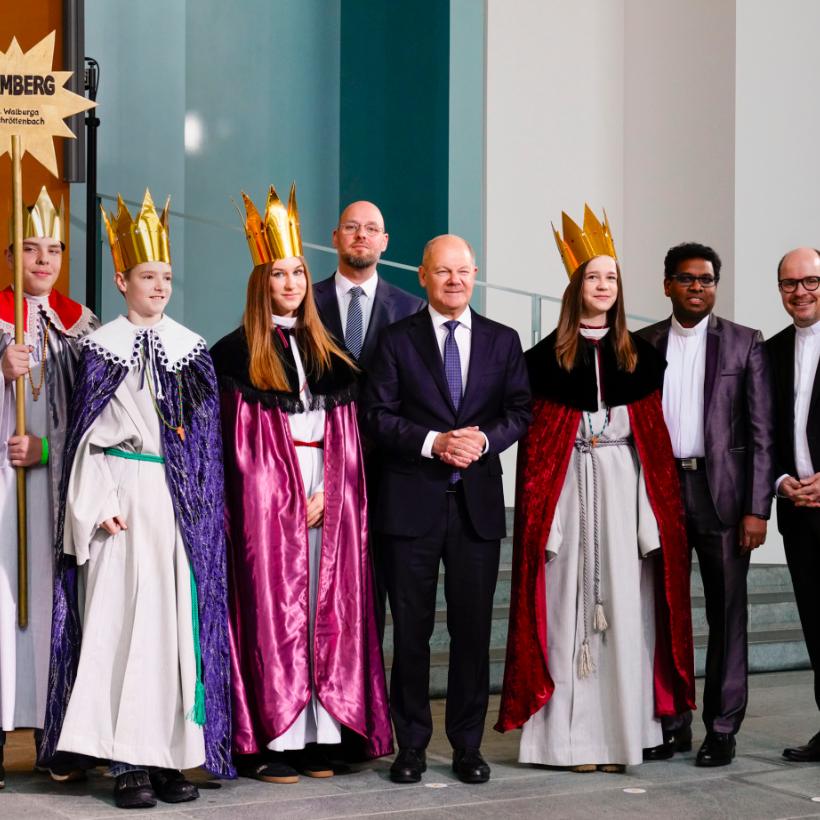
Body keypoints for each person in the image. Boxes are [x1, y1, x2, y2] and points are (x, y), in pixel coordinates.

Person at [41, 190, 234, 809]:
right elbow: (83, 439)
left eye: (168, 277)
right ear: (122, 279)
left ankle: (173, 756)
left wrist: (201, 510)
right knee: (120, 628)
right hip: (122, 503)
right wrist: (96, 504)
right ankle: (126, 761)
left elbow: (205, 443)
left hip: (176, 507)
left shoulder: (192, 349)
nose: (160, 286)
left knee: (175, 629)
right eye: (148, 276)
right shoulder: (97, 349)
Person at [496, 206, 695, 772]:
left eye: (611, 277)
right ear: (574, 286)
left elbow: (654, 448)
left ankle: (622, 741)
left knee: (628, 619)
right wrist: (549, 521)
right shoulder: (542, 361)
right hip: (567, 498)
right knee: (565, 613)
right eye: (592, 276)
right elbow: (538, 454)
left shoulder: (643, 359)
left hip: (626, 497)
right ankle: (568, 743)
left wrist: (650, 521)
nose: (602, 286)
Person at [211, 184, 392, 785]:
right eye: (277, 274)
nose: (289, 284)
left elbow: (349, 439)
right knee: (274, 610)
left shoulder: (332, 352)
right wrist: (285, 496)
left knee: (322, 607)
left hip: (325, 492)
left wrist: (330, 494)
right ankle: (267, 738)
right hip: (268, 501)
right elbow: (237, 449)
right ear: (260, 281)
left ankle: (319, 735)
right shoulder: (234, 354)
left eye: (296, 272)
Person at [362, 234, 530, 785]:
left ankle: (466, 745)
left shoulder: (504, 341)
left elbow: (519, 410)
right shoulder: (394, 340)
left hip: (476, 508)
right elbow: (377, 416)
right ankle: (409, 745)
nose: (454, 280)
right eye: (442, 271)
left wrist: (482, 441)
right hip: (410, 506)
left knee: (472, 632)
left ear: (475, 274)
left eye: (463, 271)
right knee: (409, 631)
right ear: (423, 276)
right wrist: (435, 441)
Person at [638, 242, 774, 767]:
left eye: (708, 279)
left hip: (723, 497)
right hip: (662, 491)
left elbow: (762, 434)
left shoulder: (744, 344)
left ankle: (721, 726)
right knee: (666, 613)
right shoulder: (643, 344)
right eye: (688, 278)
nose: (698, 287)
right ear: (667, 284)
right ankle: (672, 723)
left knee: (726, 614)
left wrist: (757, 508)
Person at [0, 187, 98, 789]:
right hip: (1, 496)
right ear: (11, 254)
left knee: (52, 607)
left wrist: (44, 448)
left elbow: (91, 415)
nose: (43, 260)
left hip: (53, 491)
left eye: (54, 249)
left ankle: (51, 734)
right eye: (31, 248)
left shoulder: (79, 324)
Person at [766, 247, 820, 764]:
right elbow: (763, 430)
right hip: (798, 511)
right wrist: (782, 480)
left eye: (810, 282)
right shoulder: (772, 350)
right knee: (816, 626)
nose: (800, 291)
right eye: (789, 284)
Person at [313, 200, 426, 370]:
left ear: (384, 241)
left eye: (371, 229)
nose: (361, 235)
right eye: (351, 227)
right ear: (335, 237)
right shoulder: (306, 300)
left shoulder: (411, 309)